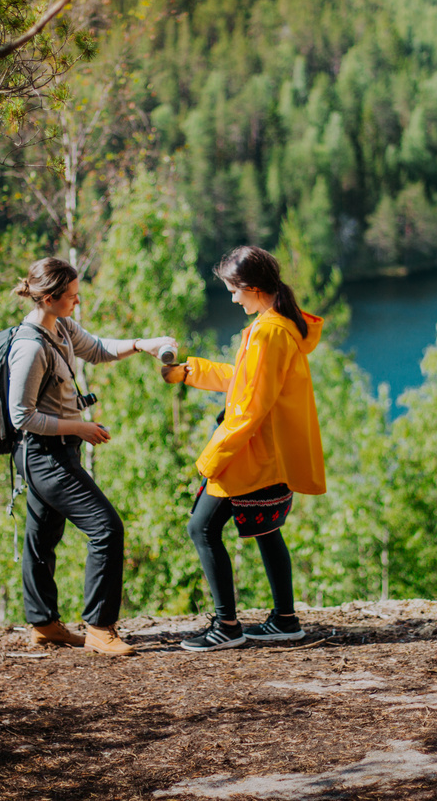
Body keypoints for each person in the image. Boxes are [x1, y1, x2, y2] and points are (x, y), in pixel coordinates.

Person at [9, 257, 175, 656]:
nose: (76, 302)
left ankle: (45, 624)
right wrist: (79, 427)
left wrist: (141, 345)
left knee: (42, 537)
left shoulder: (61, 328)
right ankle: (100, 628)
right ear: (48, 298)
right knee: (106, 528)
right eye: (70, 297)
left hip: (59, 451)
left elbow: (98, 349)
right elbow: (22, 415)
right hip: (43, 456)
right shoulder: (30, 348)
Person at [162, 246, 326, 651]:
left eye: (234, 291)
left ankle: (227, 627)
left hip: (252, 451)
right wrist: (189, 372)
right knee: (268, 531)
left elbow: (250, 407)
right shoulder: (280, 325)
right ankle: (285, 620)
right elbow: (247, 381)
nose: (232, 299)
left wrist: (211, 457)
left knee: (201, 528)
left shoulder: (269, 332)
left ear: (253, 289)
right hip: (271, 451)